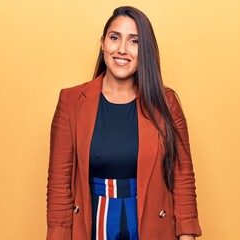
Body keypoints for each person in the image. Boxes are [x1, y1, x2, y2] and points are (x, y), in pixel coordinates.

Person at [47, 6, 202, 240]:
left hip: (151, 225)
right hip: (92, 224)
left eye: (134, 41)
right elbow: (59, 184)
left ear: (145, 50)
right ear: (102, 43)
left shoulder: (166, 103)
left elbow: (182, 177)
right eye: (115, 37)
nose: (122, 49)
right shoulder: (71, 102)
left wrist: (187, 235)